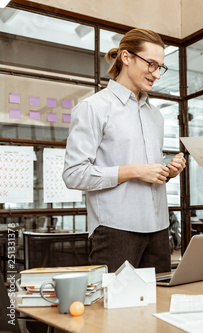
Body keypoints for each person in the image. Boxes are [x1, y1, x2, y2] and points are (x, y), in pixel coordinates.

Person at [63, 28, 185, 273]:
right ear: (126, 58)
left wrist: (168, 171)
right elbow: (73, 174)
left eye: (161, 67)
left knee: (156, 307)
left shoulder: (155, 115)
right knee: (113, 311)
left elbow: (148, 170)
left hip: (159, 229)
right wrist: (134, 171)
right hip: (115, 232)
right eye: (151, 64)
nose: (157, 74)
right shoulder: (93, 108)